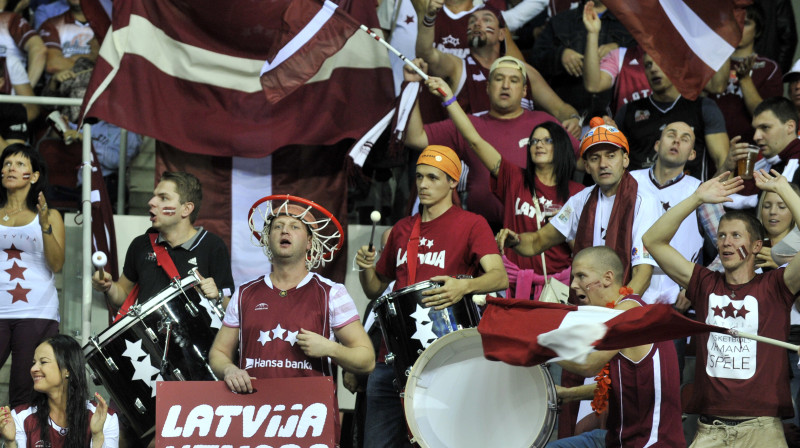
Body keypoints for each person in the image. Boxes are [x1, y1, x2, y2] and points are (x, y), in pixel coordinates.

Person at [356, 145, 508, 448]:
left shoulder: (472, 224)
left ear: (453, 182)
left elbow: (498, 276)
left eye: (433, 178)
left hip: (445, 356)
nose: (423, 185)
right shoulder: (402, 229)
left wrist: (462, 286)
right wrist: (364, 269)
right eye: (419, 177)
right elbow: (376, 290)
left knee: (442, 441)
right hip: (393, 356)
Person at [643, 169, 800, 447]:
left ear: (755, 247)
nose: (727, 242)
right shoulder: (704, 282)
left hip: (762, 430)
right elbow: (652, 240)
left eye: (736, 236)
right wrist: (696, 198)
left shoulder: (776, 286)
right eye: (722, 236)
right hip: (710, 430)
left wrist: (784, 189)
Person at [209, 198, 374, 443]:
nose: (285, 230)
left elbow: (367, 359)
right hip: (253, 417)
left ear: (309, 242)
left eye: (295, 226)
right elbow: (218, 353)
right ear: (267, 238)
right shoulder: (244, 293)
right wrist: (230, 369)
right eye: (277, 226)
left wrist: (329, 348)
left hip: (310, 420)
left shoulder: (332, 292)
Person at [424, 75, 583, 299]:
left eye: (547, 141)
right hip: (513, 285)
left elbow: (584, 250)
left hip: (558, 289)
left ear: (562, 146)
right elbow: (475, 140)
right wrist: (450, 99)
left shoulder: (578, 193)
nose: (538, 145)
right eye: (534, 141)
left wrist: (563, 227)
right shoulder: (514, 178)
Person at [405, 56, 580, 231]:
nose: (505, 85)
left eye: (514, 80)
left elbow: (582, 161)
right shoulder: (467, 124)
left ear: (525, 90)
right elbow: (415, 137)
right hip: (483, 228)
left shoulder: (544, 124)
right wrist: (412, 86)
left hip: (539, 227)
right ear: (487, 87)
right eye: (498, 79)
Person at [546, 246, 684, 448]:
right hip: (616, 440)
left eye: (581, 276)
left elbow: (589, 365)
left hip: (650, 443)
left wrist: (537, 347)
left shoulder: (627, 313)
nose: (574, 285)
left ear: (608, 278)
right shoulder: (621, 310)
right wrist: (569, 394)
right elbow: (621, 386)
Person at [413, 0, 581, 136]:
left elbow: (560, 109)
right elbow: (426, 54)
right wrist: (429, 18)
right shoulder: (458, 67)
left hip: (519, 158)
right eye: (471, 22)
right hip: (472, 160)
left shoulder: (522, 71)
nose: (477, 24)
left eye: (486, 20)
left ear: (502, 34)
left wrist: (572, 119)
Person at [91, 171, 234, 312]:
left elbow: (233, 311)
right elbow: (122, 297)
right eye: (154, 196)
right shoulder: (140, 245)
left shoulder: (213, 246)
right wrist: (109, 287)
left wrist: (218, 296)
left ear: (186, 209)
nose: (151, 202)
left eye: (164, 198)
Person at [630, 121, 723, 305]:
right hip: (630, 285)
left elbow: (728, 247)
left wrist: (698, 284)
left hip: (678, 295)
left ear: (692, 154)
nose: (676, 141)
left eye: (685, 139)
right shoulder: (630, 181)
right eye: (671, 135)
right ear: (657, 145)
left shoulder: (701, 191)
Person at [0, 144, 65, 408]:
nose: (10, 168)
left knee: (23, 391)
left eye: (19, 164)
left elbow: (57, 264)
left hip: (37, 311)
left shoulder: (50, 215)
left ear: (34, 176)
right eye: (6, 164)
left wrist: (45, 225)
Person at [615, 53, 729, 180]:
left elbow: (723, 162)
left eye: (660, 63)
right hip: (639, 196)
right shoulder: (628, 111)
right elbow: (614, 161)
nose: (653, 69)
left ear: (676, 67)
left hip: (693, 196)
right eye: (648, 65)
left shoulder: (704, 107)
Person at [0, 334, 119, 448]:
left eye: (43, 362)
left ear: (67, 369)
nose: (33, 369)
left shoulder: (106, 418)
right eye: (33, 363)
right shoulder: (20, 416)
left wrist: (97, 436)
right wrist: (10, 442)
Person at [530, 0, 634, 118]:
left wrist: (620, 49)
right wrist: (560, 55)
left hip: (617, 114)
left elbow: (644, 55)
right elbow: (536, 59)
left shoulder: (629, 21)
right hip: (570, 113)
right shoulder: (560, 21)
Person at [711, 3, 783, 143]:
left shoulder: (769, 68)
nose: (739, 27)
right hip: (710, 147)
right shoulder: (711, 63)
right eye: (734, 22)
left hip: (751, 148)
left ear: (758, 31)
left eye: (746, 23)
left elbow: (767, 118)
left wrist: (745, 80)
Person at [724, 97, 800, 209]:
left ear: (790, 127)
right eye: (755, 129)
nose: (756, 137)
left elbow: (780, 206)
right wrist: (727, 167)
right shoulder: (764, 163)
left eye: (765, 127)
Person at [582, 1, 648, 115]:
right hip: (625, 129)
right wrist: (593, 33)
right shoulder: (620, 56)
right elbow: (594, 85)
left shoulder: (674, 56)